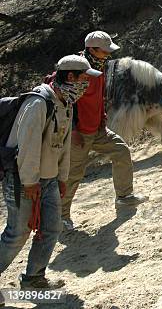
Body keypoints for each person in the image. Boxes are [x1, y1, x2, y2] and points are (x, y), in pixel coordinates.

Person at [0, 55, 101, 290]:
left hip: (49, 180)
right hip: (23, 180)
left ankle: (34, 278)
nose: (86, 83)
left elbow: (63, 146)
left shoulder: (65, 103)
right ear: (70, 76)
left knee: (51, 228)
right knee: (17, 234)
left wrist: (62, 178)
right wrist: (29, 182)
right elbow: (28, 147)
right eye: (83, 78)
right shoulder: (38, 104)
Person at [61, 31, 147, 231]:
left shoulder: (98, 66)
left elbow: (98, 97)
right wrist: (72, 129)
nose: (108, 54)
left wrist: (102, 119)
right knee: (73, 174)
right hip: (78, 132)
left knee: (121, 151)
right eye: (104, 50)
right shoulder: (74, 68)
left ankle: (124, 197)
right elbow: (65, 100)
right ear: (92, 49)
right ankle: (61, 216)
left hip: (98, 128)